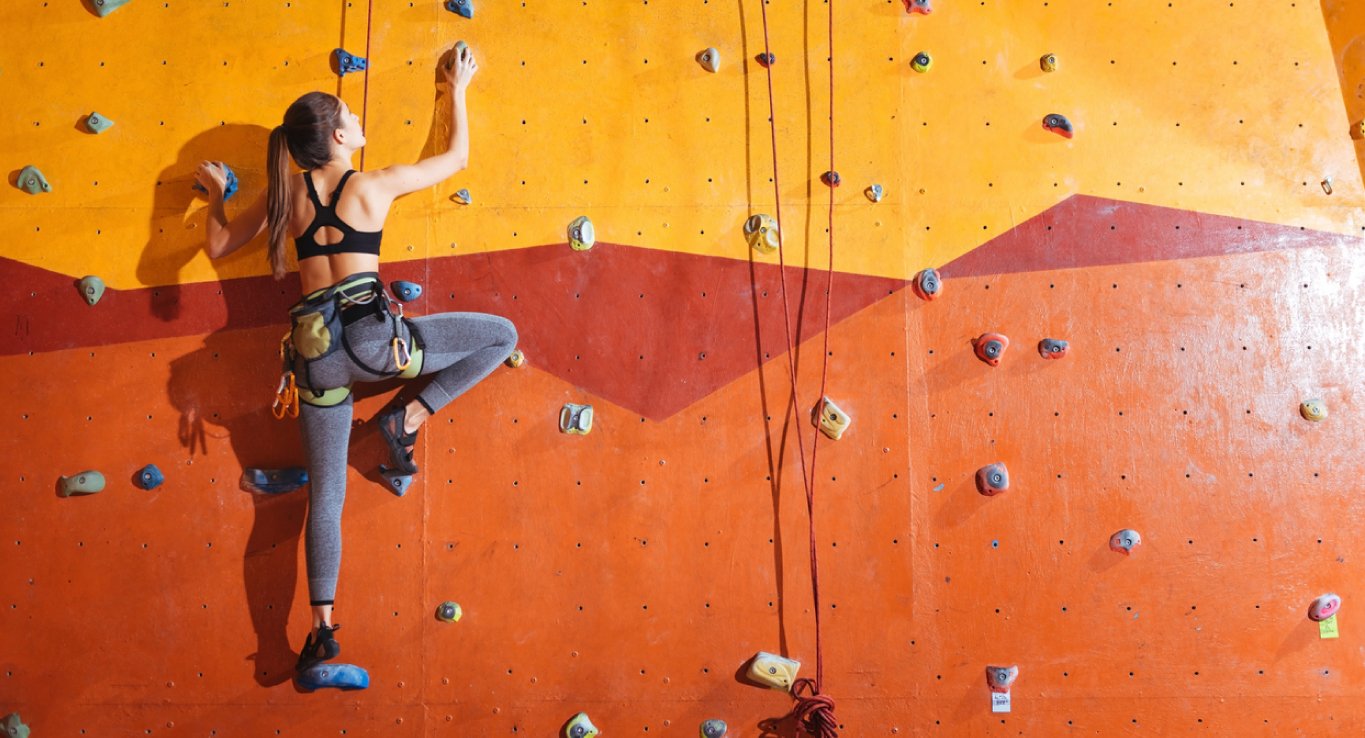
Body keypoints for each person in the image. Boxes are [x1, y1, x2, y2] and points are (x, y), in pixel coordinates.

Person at [193, 43, 517, 674]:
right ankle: (407, 420)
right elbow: (454, 158)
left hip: (315, 359)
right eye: (353, 115)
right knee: (501, 335)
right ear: (340, 135)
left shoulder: (285, 198)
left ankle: (320, 629)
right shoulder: (369, 185)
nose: (361, 123)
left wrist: (214, 194)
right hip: (375, 344)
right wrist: (458, 89)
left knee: (327, 499)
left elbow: (220, 244)